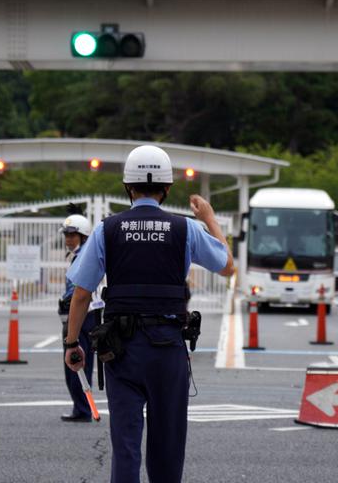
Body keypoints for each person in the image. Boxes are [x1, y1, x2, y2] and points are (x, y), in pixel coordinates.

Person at [64, 145, 234, 483]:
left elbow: (82, 293)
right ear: (167, 188)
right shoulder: (184, 229)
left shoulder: (107, 229)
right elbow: (228, 268)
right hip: (167, 349)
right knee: (167, 443)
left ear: (128, 187)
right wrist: (210, 219)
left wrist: (72, 344)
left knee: (125, 444)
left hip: (120, 351)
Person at [58, 214, 97, 423]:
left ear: (83, 236)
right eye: (66, 234)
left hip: (83, 316)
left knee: (76, 363)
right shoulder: (79, 254)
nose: (68, 238)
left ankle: (82, 409)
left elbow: (79, 291)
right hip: (84, 316)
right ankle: (81, 406)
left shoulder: (82, 256)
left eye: (73, 235)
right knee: (79, 364)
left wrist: (67, 302)